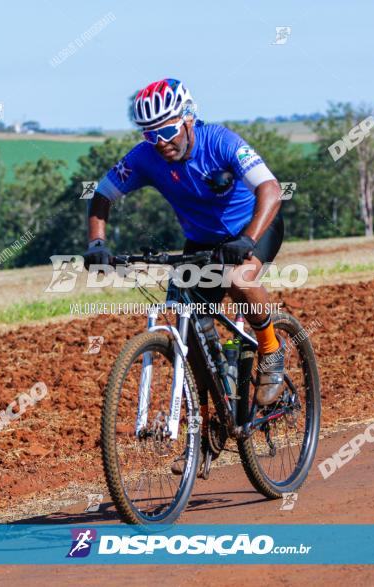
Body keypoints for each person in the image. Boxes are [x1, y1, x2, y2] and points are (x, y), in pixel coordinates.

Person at [83, 78, 287, 470]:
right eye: (150, 133)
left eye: (167, 129)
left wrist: (247, 239)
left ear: (188, 119)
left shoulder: (221, 141)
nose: (160, 141)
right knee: (189, 330)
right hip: (201, 243)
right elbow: (102, 195)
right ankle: (210, 426)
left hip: (253, 228)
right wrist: (97, 243)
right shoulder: (146, 157)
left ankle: (271, 350)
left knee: (239, 279)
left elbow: (271, 190)